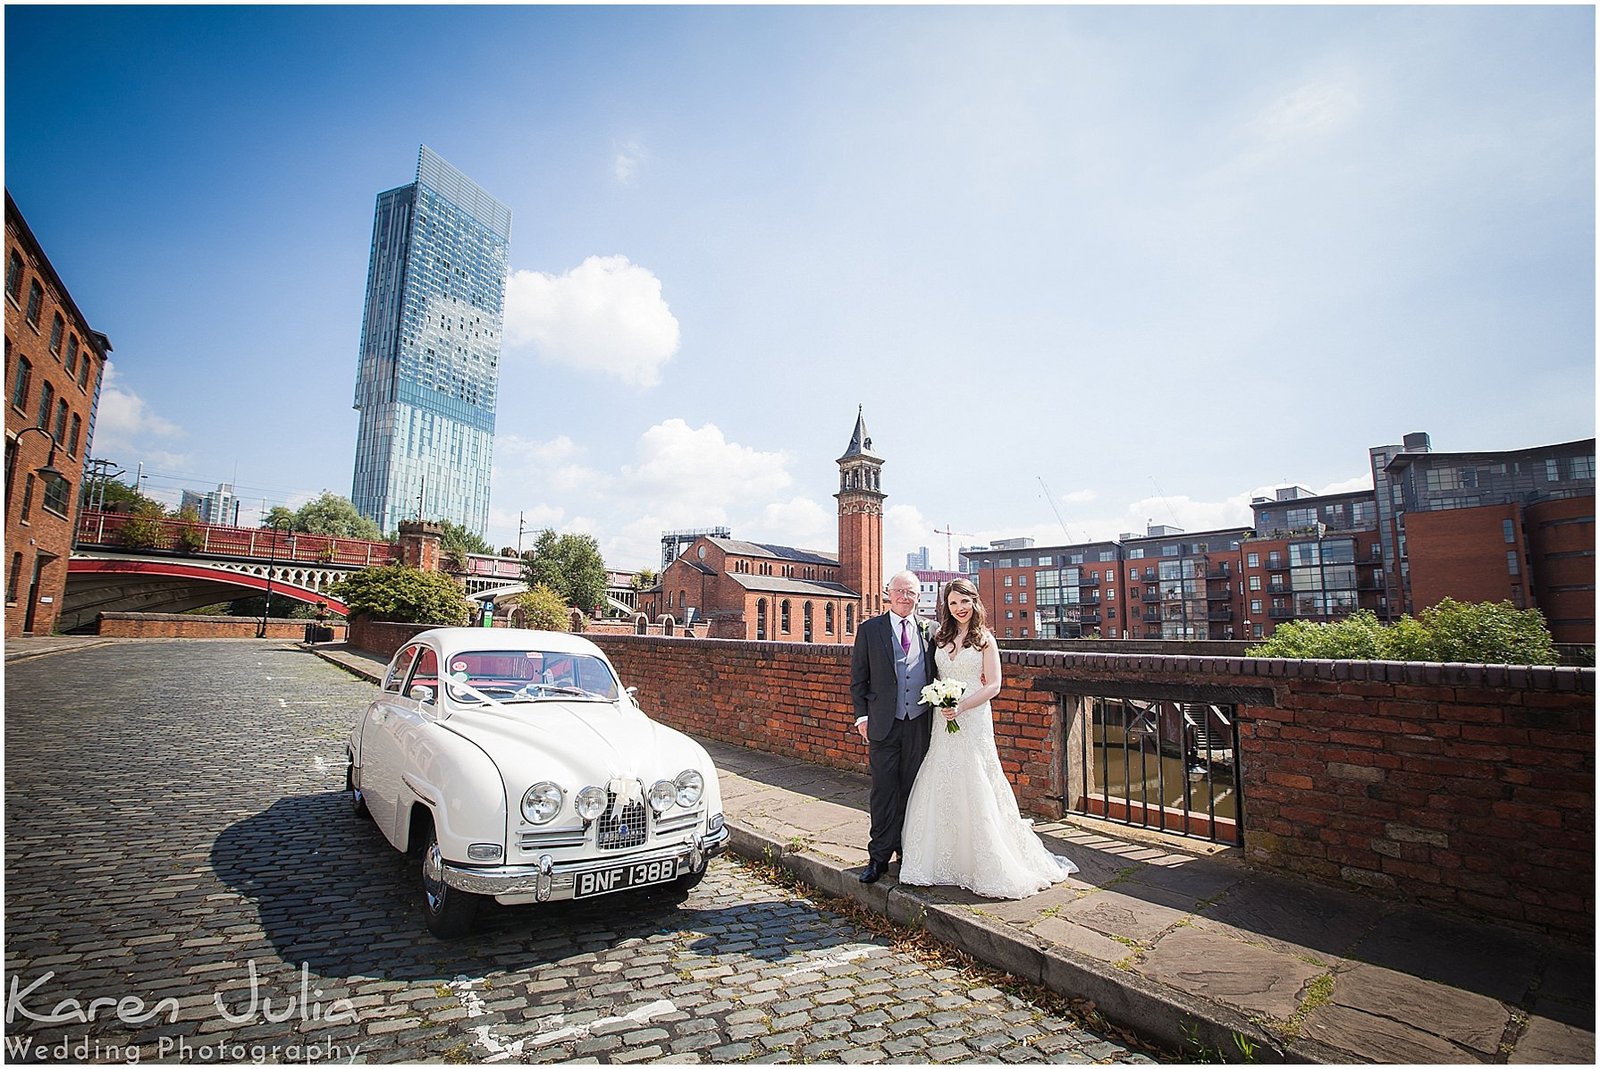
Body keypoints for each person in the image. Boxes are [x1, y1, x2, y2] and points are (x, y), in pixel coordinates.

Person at [899, 577, 1078, 898]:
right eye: (953, 603)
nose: (959, 608)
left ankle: (984, 859)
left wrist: (961, 705)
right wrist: (940, 700)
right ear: (946, 607)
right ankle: (941, 858)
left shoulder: (985, 641)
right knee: (941, 777)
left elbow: (993, 685)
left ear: (974, 602)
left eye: (964, 602)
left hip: (973, 718)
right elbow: (932, 674)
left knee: (977, 779)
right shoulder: (939, 637)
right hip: (943, 720)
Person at [850, 570, 936, 885]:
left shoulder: (931, 630)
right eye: (899, 591)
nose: (904, 597)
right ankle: (878, 858)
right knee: (883, 791)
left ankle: (908, 853)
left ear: (918, 596)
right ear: (888, 593)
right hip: (883, 723)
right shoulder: (869, 630)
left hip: (919, 722)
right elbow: (859, 677)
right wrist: (862, 717)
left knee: (913, 791)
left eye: (910, 592)